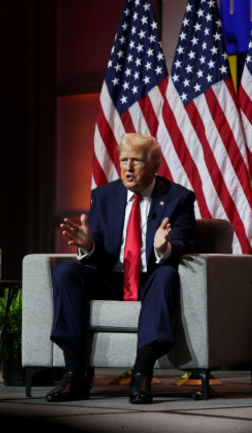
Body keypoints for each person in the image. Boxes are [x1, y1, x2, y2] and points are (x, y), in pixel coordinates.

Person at [46, 133, 196, 404]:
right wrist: (89, 245)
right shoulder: (103, 196)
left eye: (136, 160)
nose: (127, 167)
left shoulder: (178, 199)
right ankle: (73, 375)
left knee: (166, 275)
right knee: (66, 271)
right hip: (110, 279)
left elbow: (183, 243)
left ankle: (141, 376)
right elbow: (99, 255)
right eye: (123, 159)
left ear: (155, 165)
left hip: (150, 278)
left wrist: (163, 248)